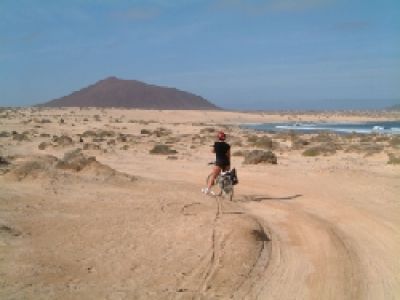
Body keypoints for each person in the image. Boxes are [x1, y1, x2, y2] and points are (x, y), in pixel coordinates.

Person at [202, 131, 231, 195]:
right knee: (225, 177)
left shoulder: (216, 144)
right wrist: (229, 164)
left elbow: (212, 151)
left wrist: (217, 151)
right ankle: (224, 191)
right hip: (226, 163)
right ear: (224, 138)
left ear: (218, 138)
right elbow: (228, 155)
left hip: (219, 162)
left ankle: (208, 190)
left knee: (213, 176)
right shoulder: (227, 146)